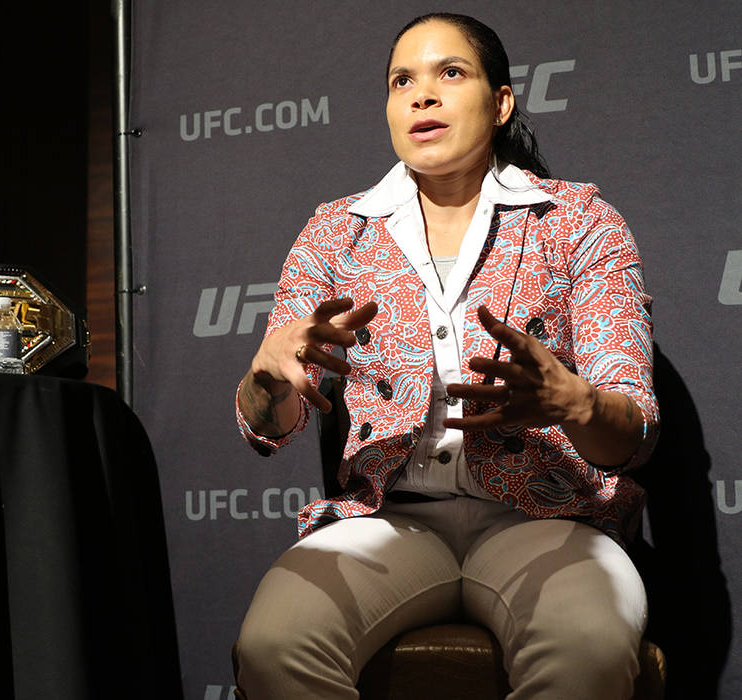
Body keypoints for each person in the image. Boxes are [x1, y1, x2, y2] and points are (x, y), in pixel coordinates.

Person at [233, 12, 657, 700]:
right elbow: (267, 424)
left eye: (449, 73)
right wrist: (266, 383)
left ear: (501, 103)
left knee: (587, 646)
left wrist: (575, 402)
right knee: (274, 646)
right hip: (389, 521)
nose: (421, 96)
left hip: (546, 521)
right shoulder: (336, 233)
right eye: (403, 80)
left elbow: (633, 431)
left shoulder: (579, 221)